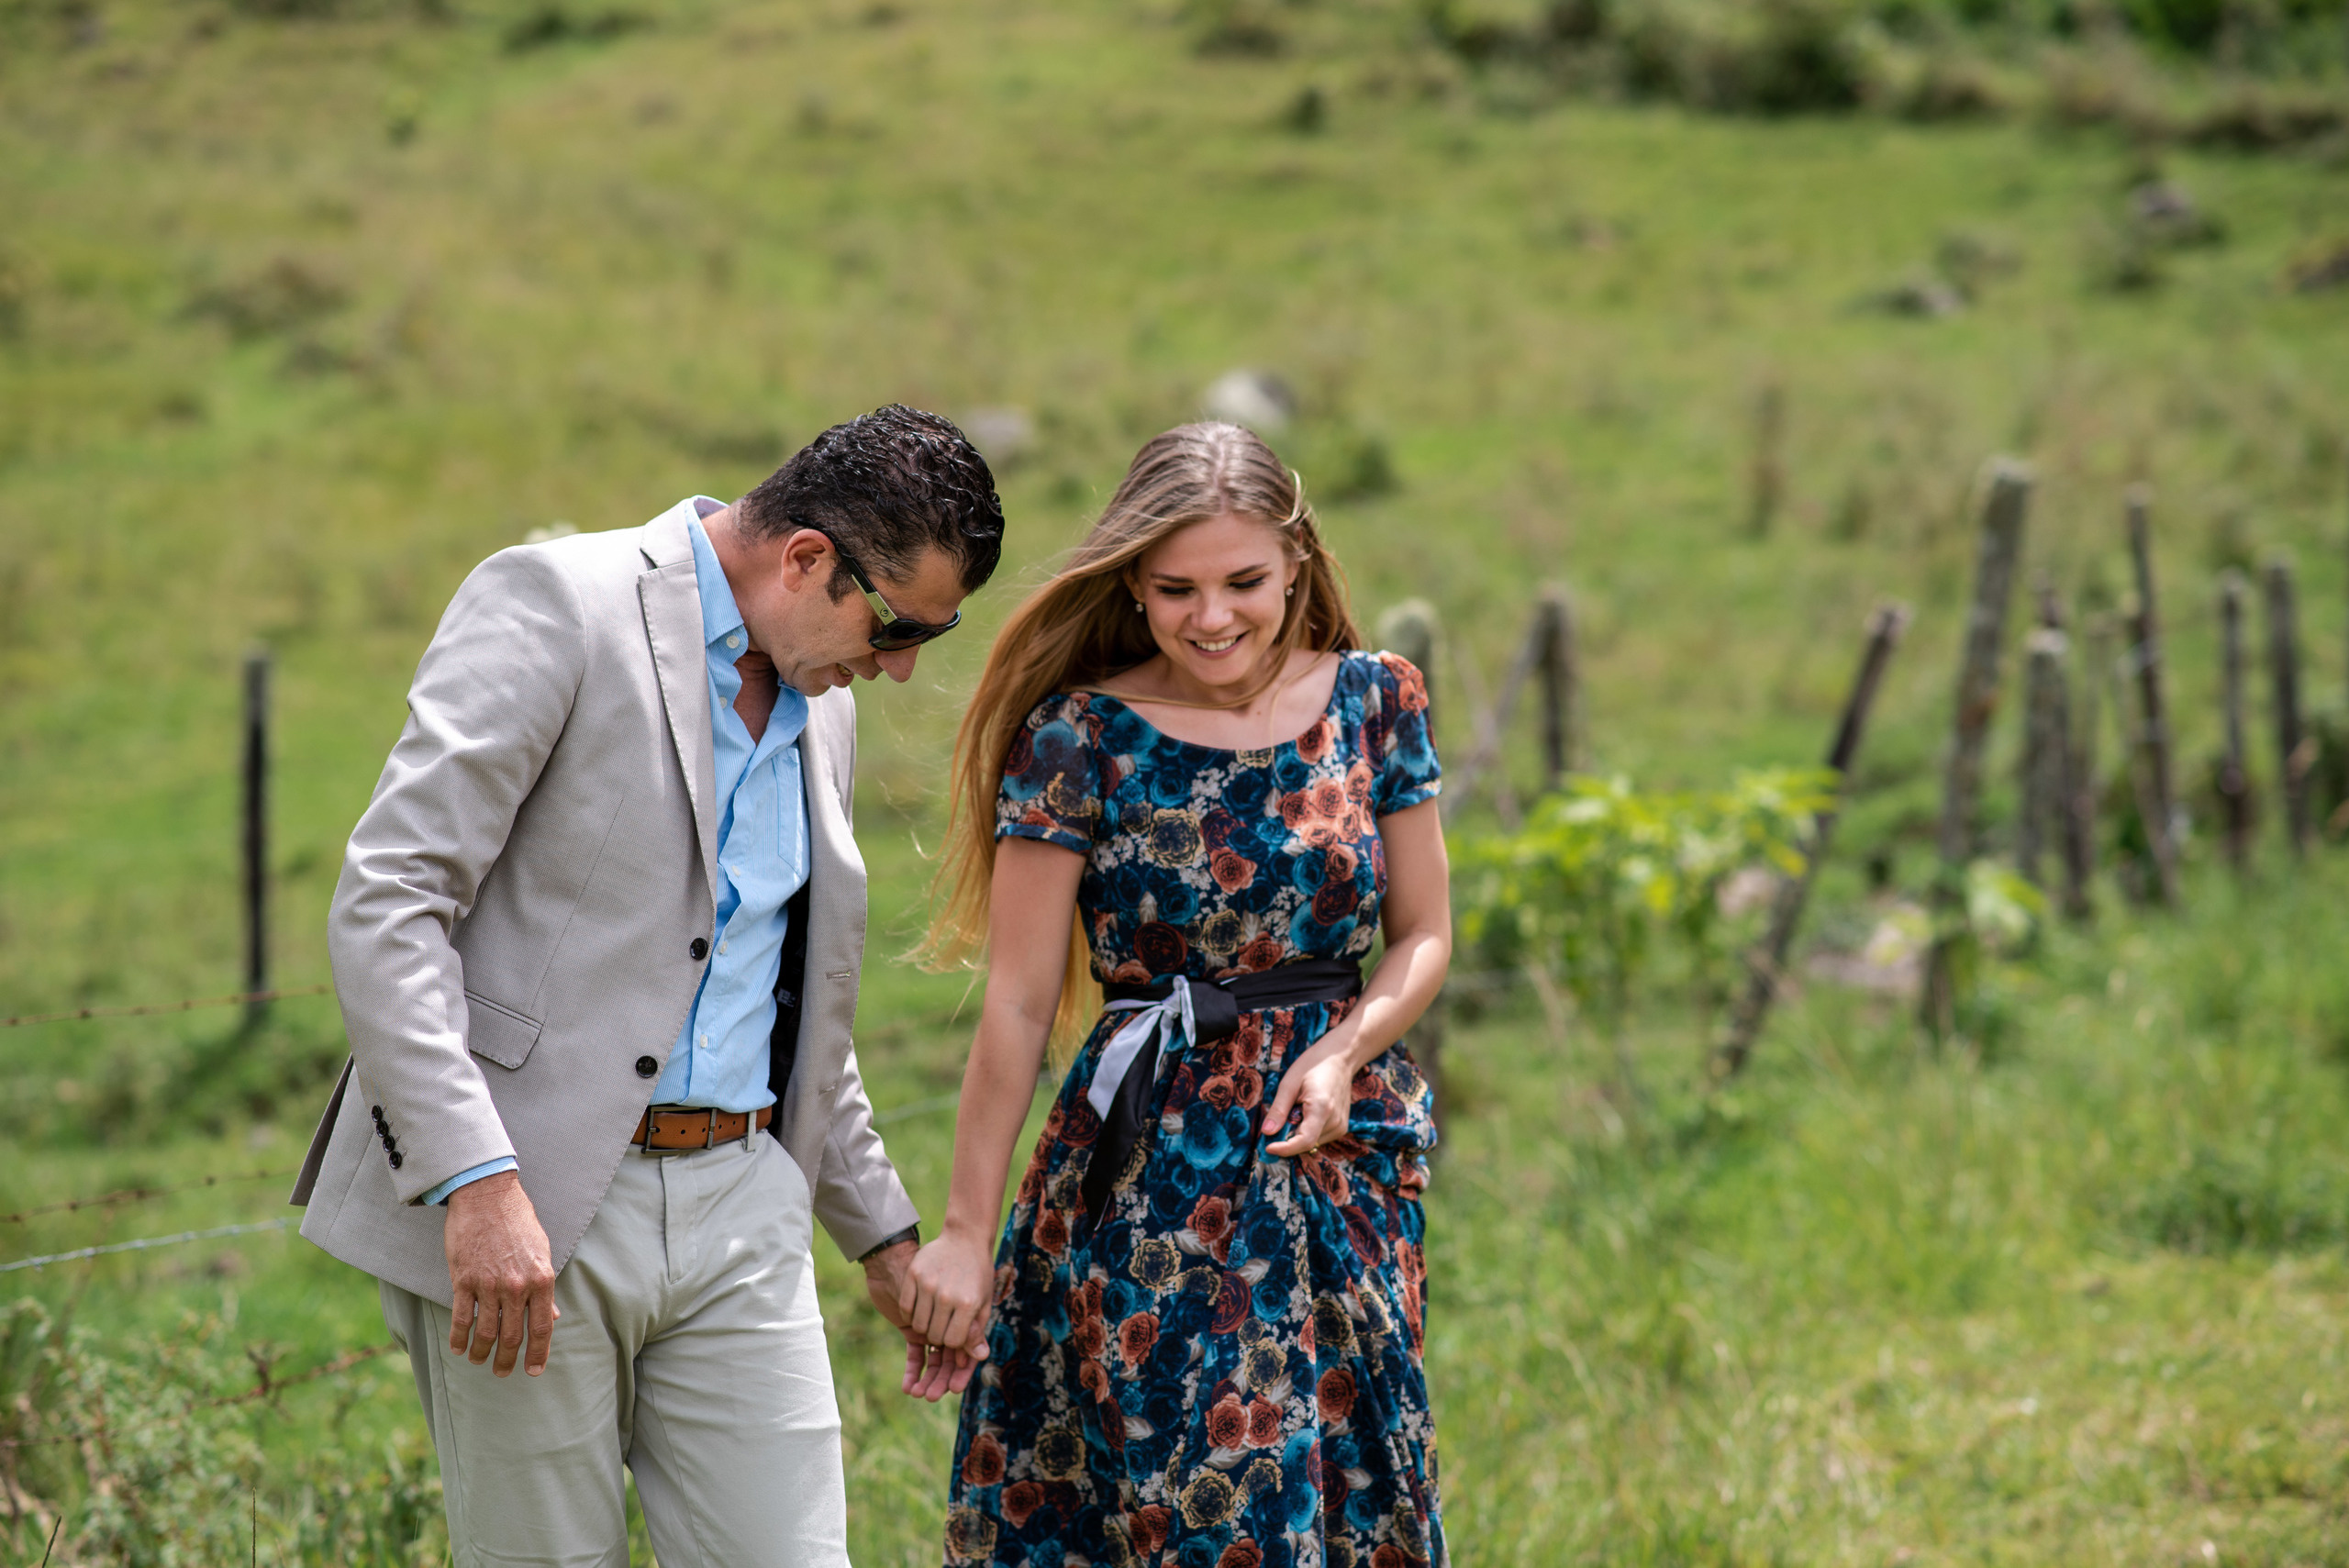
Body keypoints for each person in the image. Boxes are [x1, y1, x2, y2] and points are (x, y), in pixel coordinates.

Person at [291, 405, 1002, 1568]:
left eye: (936, 629)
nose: (904, 662)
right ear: (807, 557)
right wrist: (475, 1180)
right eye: (897, 623)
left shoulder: (825, 700)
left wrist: (878, 1231)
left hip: (744, 1208)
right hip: (530, 1213)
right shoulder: (557, 603)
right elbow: (388, 904)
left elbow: (783, 994)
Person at [902, 422, 1452, 1568]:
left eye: (1243, 581)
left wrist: (1348, 1051)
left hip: (1337, 1156)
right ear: (1133, 587)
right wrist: (964, 1230)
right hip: (1148, 1164)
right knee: (1192, 1504)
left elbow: (1423, 935)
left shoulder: (1377, 700)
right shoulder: (1078, 737)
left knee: (1356, 1487)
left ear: (1295, 560)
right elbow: (1013, 1001)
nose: (1212, 617)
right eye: (1175, 590)